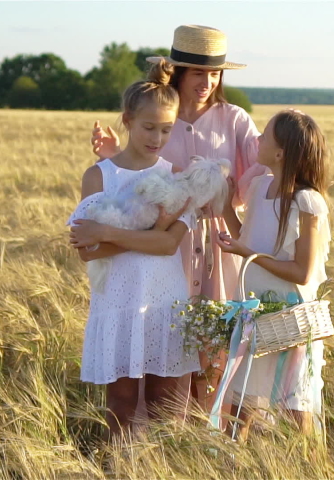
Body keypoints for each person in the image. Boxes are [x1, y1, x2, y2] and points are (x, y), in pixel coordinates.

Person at [90, 24, 266, 411]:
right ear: (179, 72)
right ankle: (163, 444)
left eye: (214, 73)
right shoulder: (158, 114)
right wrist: (113, 154)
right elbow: (141, 170)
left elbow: (264, 168)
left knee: (215, 342)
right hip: (167, 245)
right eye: (198, 72)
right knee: (169, 344)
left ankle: (208, 442)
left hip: (219, 243)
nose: (207, 81)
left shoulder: (234, 119)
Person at [69, 60, 198, 438]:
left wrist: (108, 231)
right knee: (121, 405)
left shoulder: (175, 178)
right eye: (148, 127)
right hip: (118, 302)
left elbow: (168, 244)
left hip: (164, 302)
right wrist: (147, 233)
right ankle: (120, 470)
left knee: (165, 406)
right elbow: (88, 252)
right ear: (127, 120)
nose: (157, 138)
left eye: (166, 129)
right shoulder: (99, 176)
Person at [217, 109, 331, 435]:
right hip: (255, 316)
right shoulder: (258, 187)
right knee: (240, 415)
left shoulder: (306, 202)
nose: (258, 138)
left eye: (264, 135)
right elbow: (247, 237)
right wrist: (226, 207)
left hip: (290, 323)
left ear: (280, 153)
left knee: (297, 418)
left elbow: (302, 272)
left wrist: (247, 254)